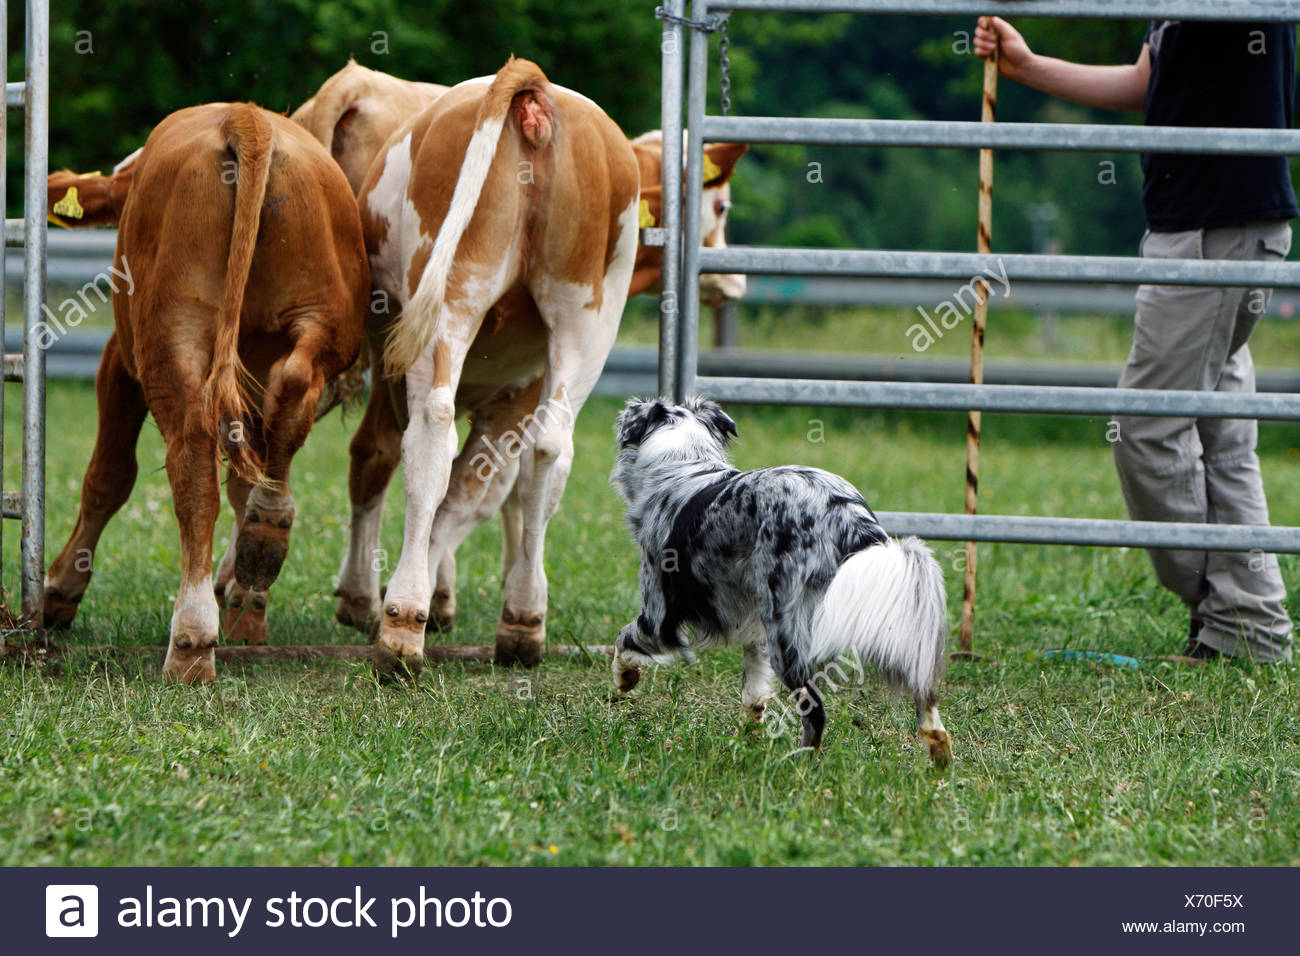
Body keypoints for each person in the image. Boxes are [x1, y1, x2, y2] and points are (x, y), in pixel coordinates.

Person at [975, 16, 1297, 662]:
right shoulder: (1177, 16)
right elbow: (1143, 82)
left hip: (1214, 233)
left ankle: (1236, 613)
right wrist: (1028, 65)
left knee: (1145, 426)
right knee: (1221, 434)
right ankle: (1250, 620)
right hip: (1211, 228)